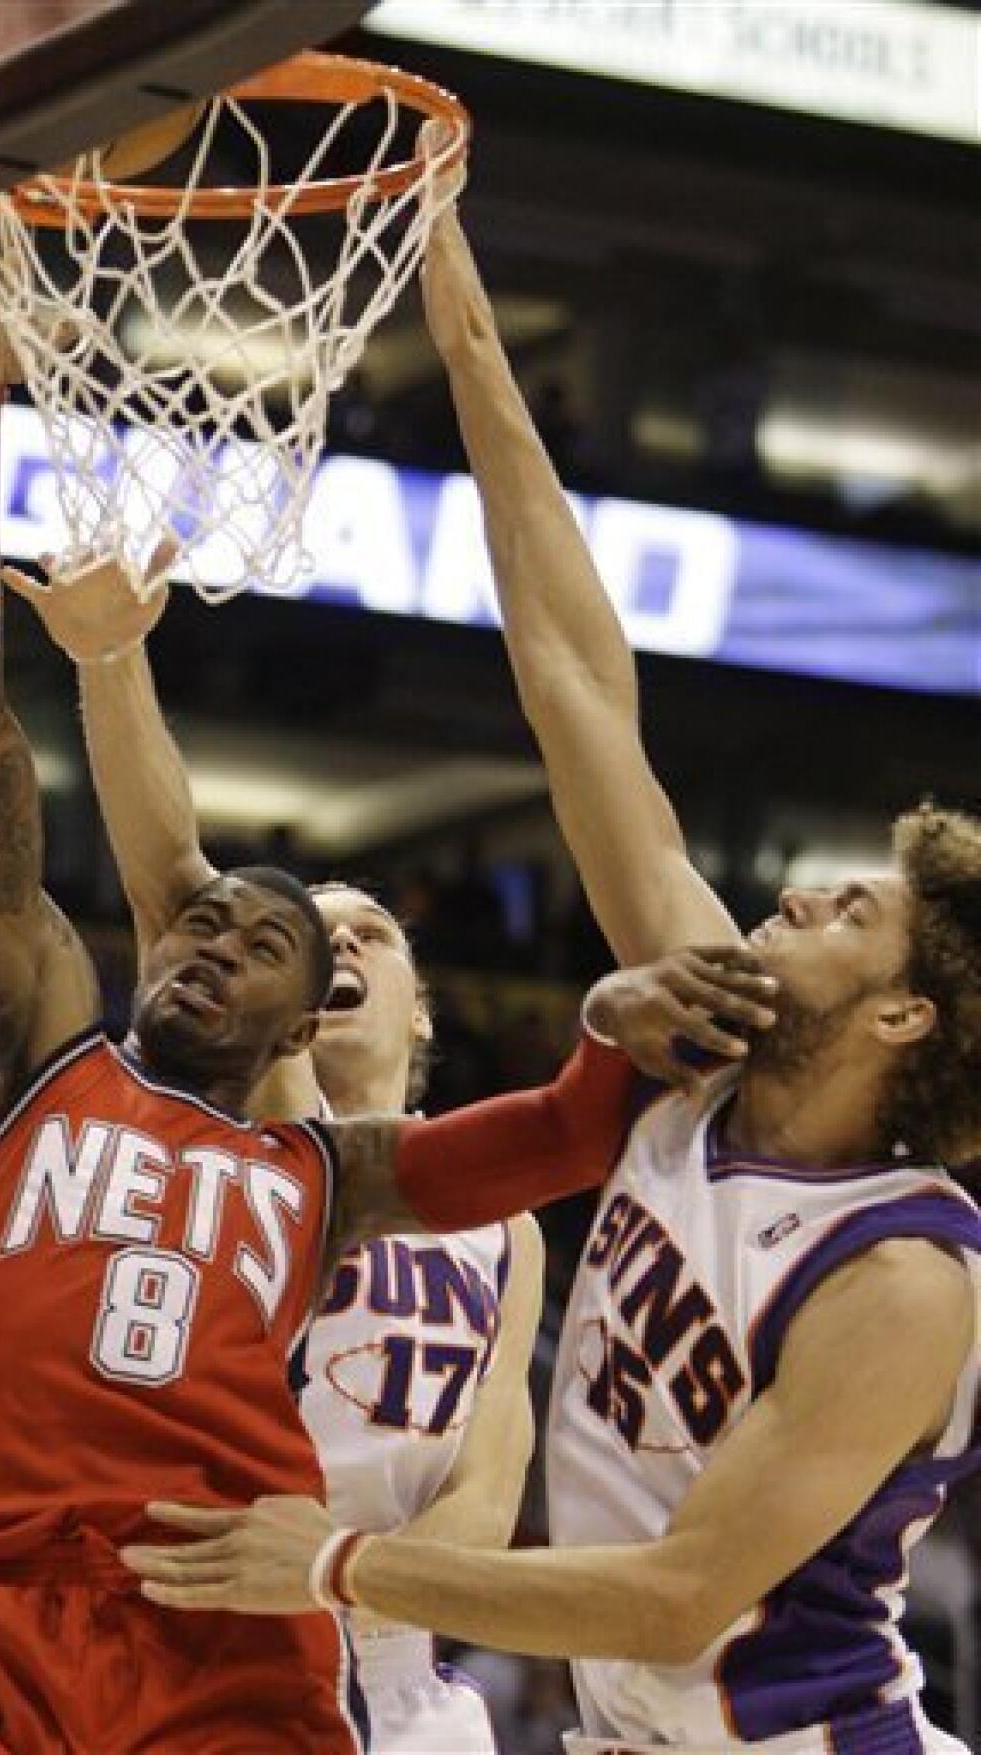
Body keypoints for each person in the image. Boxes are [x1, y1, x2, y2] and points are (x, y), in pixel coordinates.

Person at [121, 151, 981, 1755]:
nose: (792, 898)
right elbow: (580, 680)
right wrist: (463, 329)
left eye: (848, 912)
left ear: (909, 1013)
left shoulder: (904, 1275)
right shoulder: (712, 1022)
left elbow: (677, 1594)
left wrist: (334, 1559)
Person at [0, 299, 772, 1755]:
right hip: (4, 1617)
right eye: (202, 922)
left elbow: (553, 1139)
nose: (216, 942)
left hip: (267, 1634)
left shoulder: (329, 1176)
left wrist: (613, 1019)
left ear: (321, 998)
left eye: (274, 939)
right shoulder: (32, 1053)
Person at [1, 565, 543, 1755]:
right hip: (214, 1622)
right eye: (313, 937)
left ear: (420, 1016)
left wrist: (349, 1577)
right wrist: (108, 656)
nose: (340, 938)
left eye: (374, 933)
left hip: (394, 1654)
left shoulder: (508, 1232)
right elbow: (169, 875)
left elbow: (487, 1496)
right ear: (289, 1014)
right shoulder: (265, 1120)